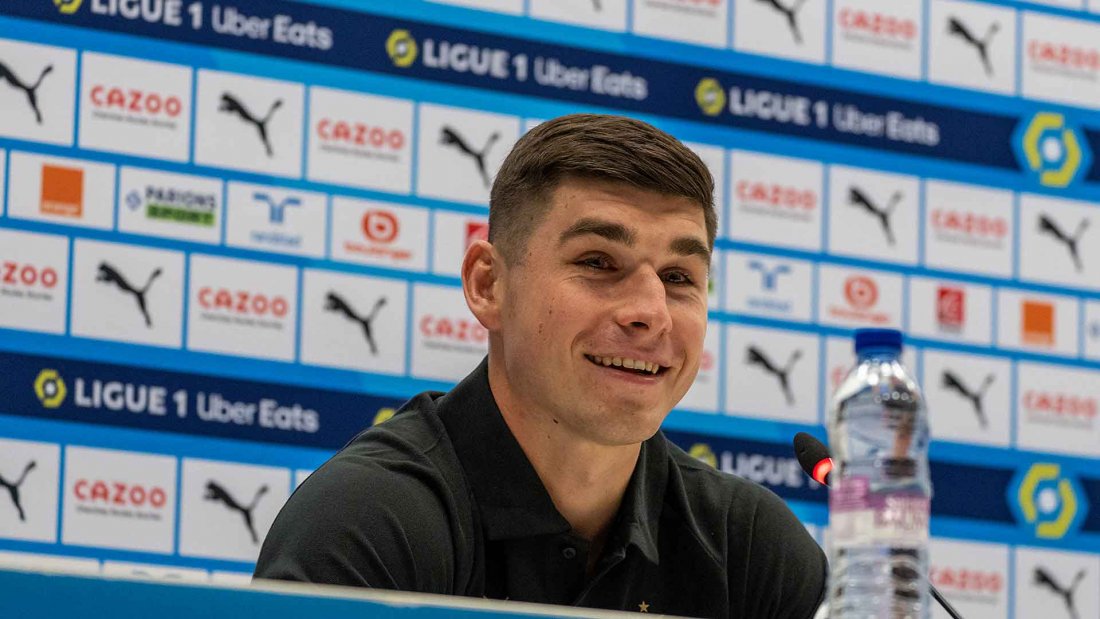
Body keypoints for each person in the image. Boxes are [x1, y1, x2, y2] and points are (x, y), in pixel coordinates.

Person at [254, 113, 827, 618]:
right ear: (489, 285)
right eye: (598, 262)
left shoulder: (749, 546)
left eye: (678, 277)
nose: (652, 313)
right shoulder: (368, 523)